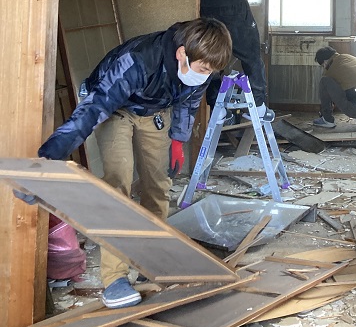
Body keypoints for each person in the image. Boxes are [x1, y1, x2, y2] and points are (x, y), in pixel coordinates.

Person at [37, 17, 232, 309]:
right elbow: (94, 108)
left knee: (158, 185)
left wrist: (178, 140)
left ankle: (151, 260)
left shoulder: (200, 66)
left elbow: (189, 102)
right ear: (182, 53)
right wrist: (52, 154)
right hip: (115, 108)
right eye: (203, 69)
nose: (206, 76)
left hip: (154, 110)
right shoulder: (138, 61)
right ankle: (114, 278)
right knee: (117, 185)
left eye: (211, 71)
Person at [312, 46, 356, 129]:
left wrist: (324, 111)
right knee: (355, 87)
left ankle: (327, 120)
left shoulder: (329, 68)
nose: (324, 67)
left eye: (322, 65)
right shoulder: (350, 58)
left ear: (325, 62)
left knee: (324, 81)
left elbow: (330, 94)